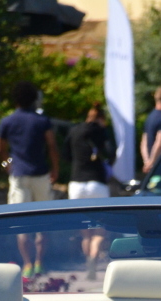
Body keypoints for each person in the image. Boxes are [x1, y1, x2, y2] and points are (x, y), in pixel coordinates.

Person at [0, 81, 60, 282]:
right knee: (44, 220)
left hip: (19, 175)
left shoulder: (7, 122)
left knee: (20, 221)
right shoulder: (42, 121)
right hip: (41, 174)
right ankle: (40, 262)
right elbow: (52, 146)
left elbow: (0, 149)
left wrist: (7, 165)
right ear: (34, 99)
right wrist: (56, 169)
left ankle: (27, 264)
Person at [66, 103, 113, 280]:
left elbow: (66, 155)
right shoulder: (101, 132)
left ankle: (87, 259)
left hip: (76, 184)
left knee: (84, 230)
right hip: (97, 183)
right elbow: (111, 153)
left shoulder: (74, 130)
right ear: (100, 118)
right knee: (100, 230)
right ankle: (94, 257)